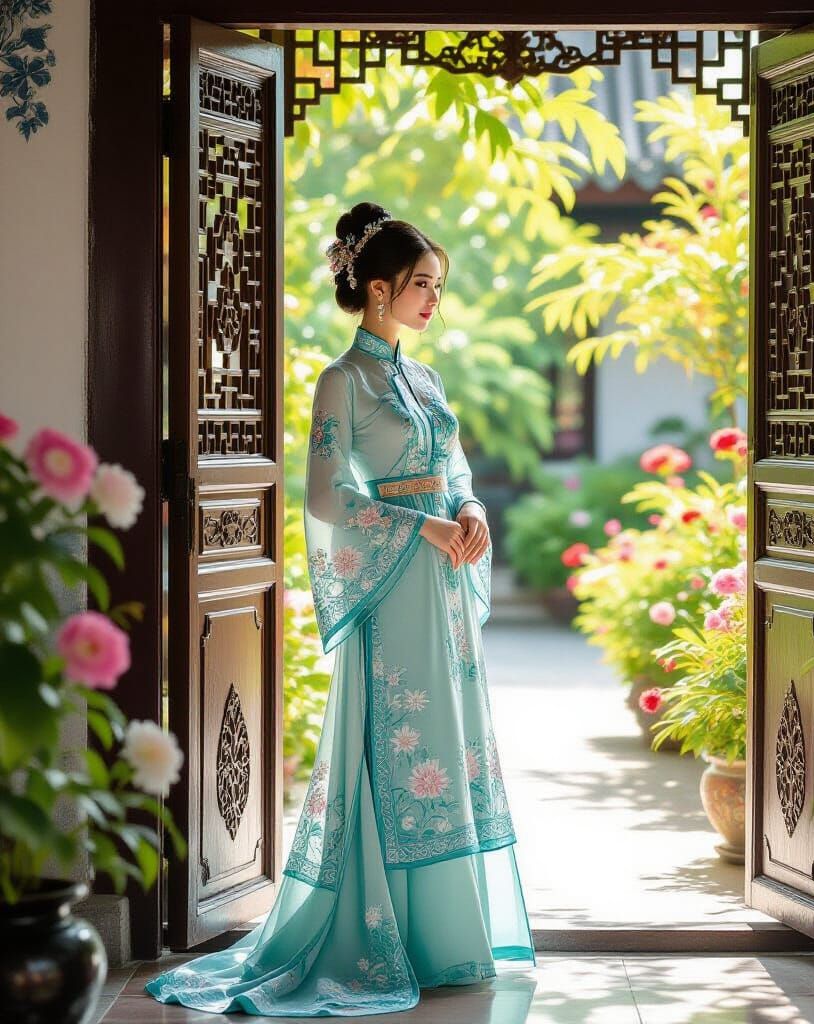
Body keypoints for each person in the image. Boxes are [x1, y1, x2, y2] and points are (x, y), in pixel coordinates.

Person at [145, 202, 536, 1015]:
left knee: (447, 746)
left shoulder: (425, 380)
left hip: (440, 584)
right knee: (397, 746)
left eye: (438, 287)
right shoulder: (342, 381)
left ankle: (446, 941)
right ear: (379, 288)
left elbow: (456, 468)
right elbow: (326, 497)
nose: (434, 301)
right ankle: (378, 935)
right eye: (422, 285)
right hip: (392, 591)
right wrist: (421, 524)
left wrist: (470, 510)